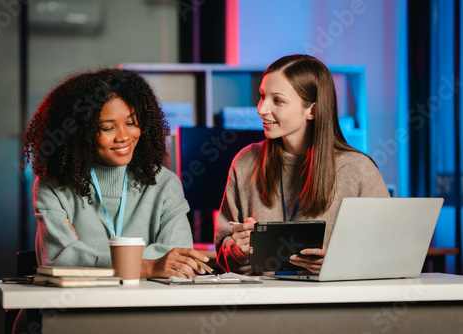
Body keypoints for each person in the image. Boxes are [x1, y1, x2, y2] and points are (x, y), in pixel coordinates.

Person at [23, 68, 209, 278]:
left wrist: (83, 256)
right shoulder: (54, 185)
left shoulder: (165, 184)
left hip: (144, 306)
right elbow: (57, 259)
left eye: (131, 123)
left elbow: (179, 259)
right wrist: (148, 266)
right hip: (76, 308)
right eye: (108, 128)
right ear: (80, 131)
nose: (123, 136)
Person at [214, 54, 390, 275]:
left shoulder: (359, 169)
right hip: (259, 303)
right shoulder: (246, 161)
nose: (261, 109)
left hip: (330, 304)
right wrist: (237, 249)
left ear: (313, 110)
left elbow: (387, 254)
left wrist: (338, 264)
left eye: (277, 100)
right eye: (262, 96)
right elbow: (223, 253)